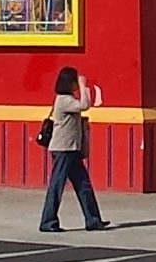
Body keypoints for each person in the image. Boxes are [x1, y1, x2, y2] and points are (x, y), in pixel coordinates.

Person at [37, 64, 109, 234]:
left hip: (72, 148)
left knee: (84, 185)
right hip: (63, 149)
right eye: (75, 81)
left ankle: (93, 219)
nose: (77, 84)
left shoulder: (67, 100)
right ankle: (48, 221)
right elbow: (84, 105)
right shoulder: (64, 100)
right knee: (57, 185)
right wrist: (84, 85)